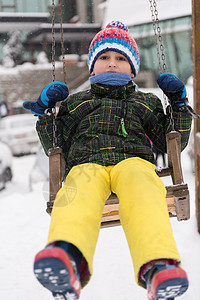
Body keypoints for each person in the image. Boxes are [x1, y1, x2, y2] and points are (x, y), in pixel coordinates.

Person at [23, 21, 192, 300]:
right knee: (76, 196)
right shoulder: (75, 104)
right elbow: (55, 144)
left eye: (120, 58)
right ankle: (67, 259)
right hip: (86, 166)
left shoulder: (146, 102)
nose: (112, 63)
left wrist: (178, 104)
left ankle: (158, 265)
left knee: (145, 191)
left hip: (133, 162)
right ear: (92, 66)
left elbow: (170, 141)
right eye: (104, 57)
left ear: (133, 68)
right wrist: (46, 112)